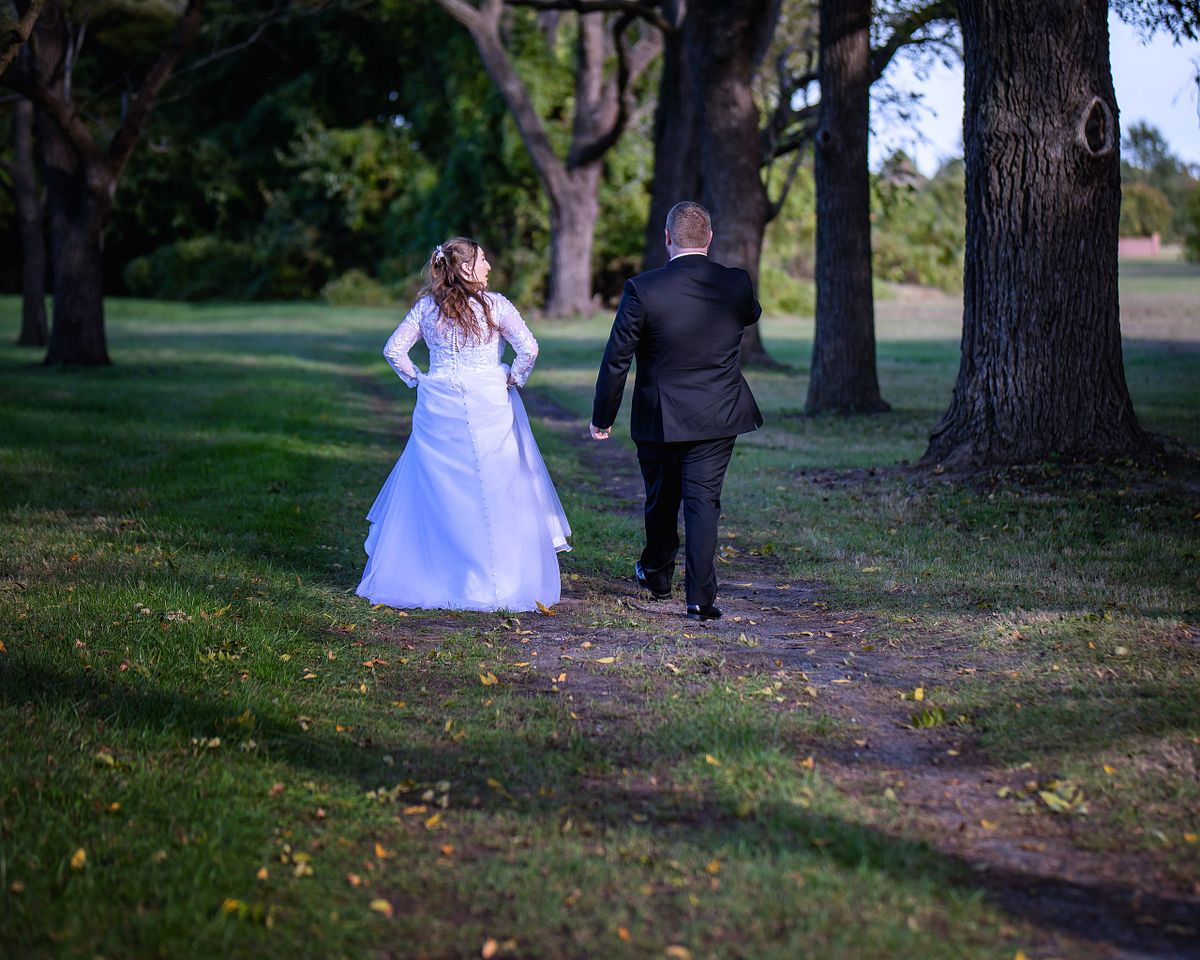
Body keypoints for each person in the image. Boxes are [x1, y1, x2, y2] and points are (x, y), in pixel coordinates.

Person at [356, 237, 571, 612]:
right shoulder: (495, 306)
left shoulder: (426, 309)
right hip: (488, 401)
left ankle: (437, 574)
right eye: (483, 260)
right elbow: (529, 349)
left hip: (438, 403)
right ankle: (496, 581)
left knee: (437, 489)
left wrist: (417, 380)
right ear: (467, 268)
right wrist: (512, 378)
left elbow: (394, 350)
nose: (489, 266)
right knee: (495, 484)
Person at [589, 202, 763, 621]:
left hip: (659, 415)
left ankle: (657, 575)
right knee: (703, 501)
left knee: (661, 500)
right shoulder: (735, 283)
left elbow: (617, 358)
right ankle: (700, 598)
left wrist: (603, 415)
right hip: (719, 412)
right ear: (709, 239)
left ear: (668, 238)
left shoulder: (642, 289)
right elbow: (751, 314)